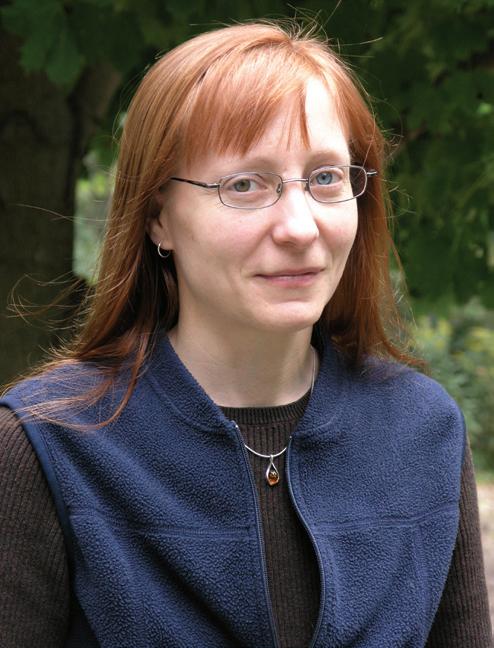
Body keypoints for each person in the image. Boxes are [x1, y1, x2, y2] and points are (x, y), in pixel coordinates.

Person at [0, 20, 491, 648]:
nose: (299, 227)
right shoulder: (46, 446)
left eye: (325, 177)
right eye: (245, 185)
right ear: (157, 218)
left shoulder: (422, 430)